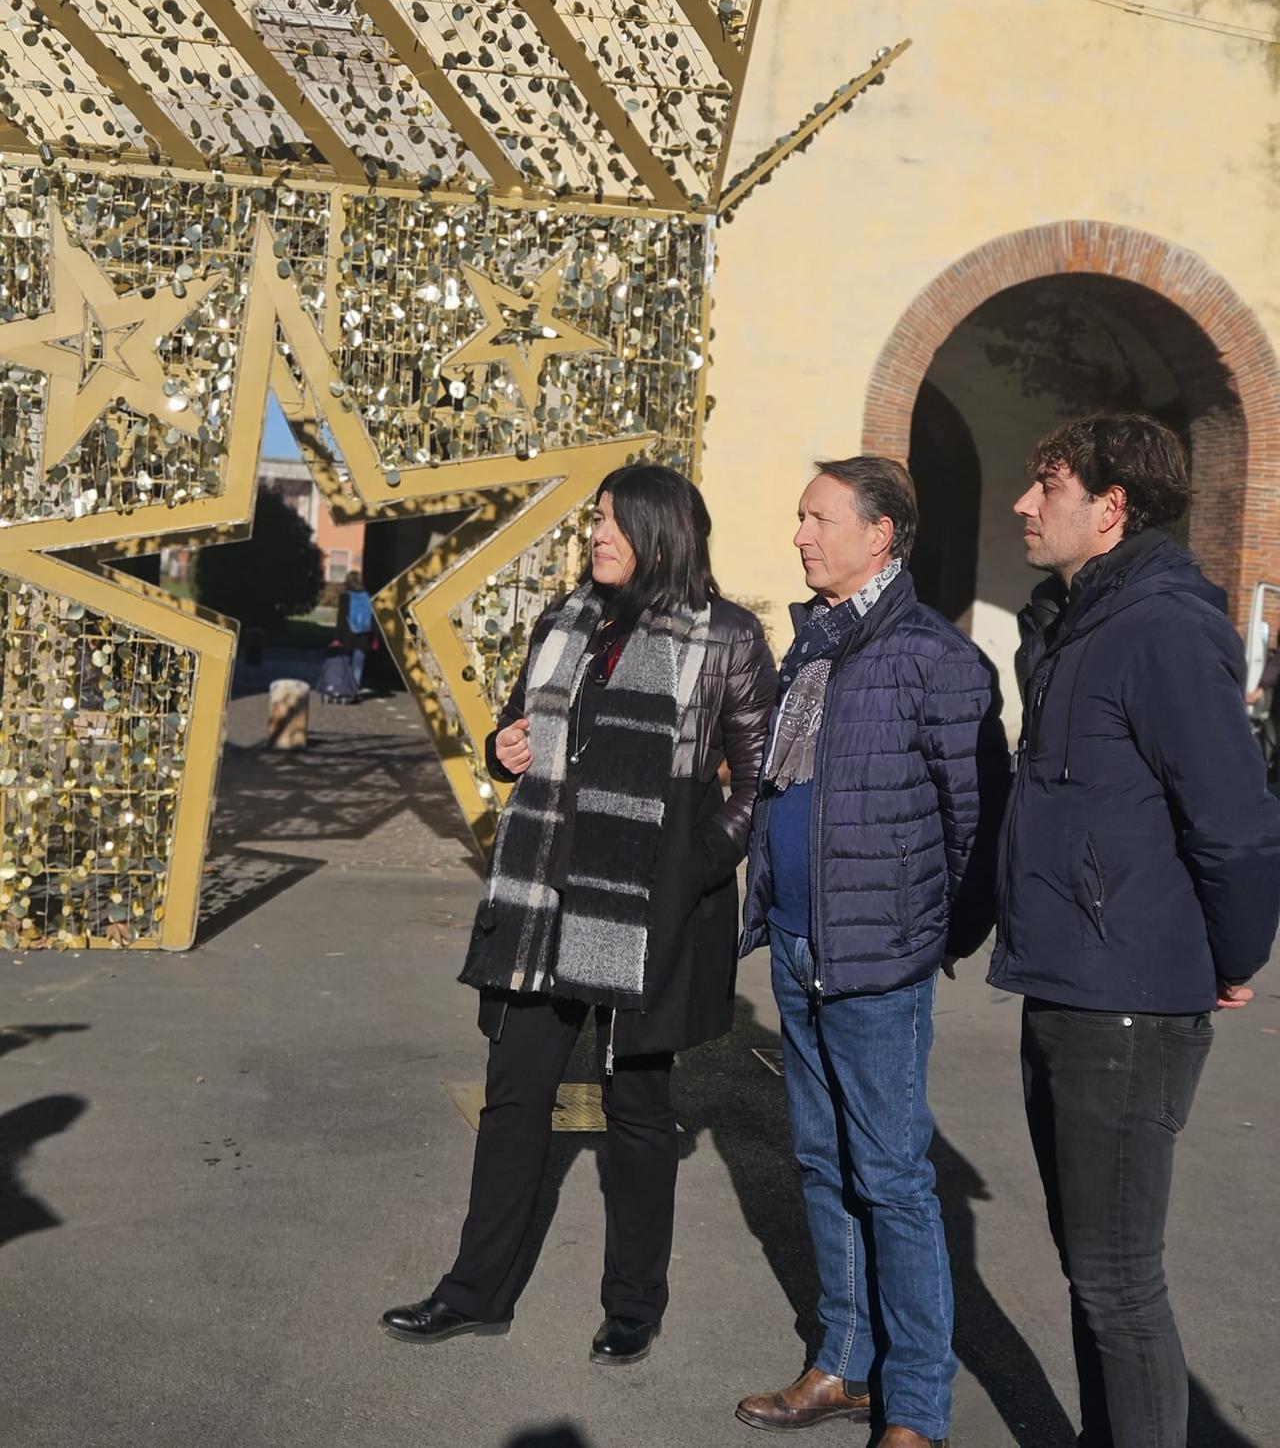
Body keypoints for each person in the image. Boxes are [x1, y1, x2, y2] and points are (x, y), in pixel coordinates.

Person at [381, 464, 777, 1364]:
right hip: (545, 901)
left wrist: (692, 864)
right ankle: (474, 1291)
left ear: (659, 531)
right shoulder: (567, 620)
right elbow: (523, 728)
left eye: (610, 523)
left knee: (638, 1109)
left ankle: (633, 1304)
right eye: (594, 521)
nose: (594, 536)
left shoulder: (727, 638)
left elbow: (756, 786)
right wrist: (501, 745)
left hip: (648, 909)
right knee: (515, 1097)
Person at [991, 414, 1280, 1448]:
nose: (1024, 504)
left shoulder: (1160, 626)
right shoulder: (1073, 621)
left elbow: (1237, 823)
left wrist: (1232, 954)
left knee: (1116, 1278)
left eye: (1047, 485)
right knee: (1090, 1267)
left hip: (1125, 998)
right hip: (1066, 977)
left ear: (1108, 507)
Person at [736, 457, 1007, 1448]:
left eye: (815, 518)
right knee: (819, 1158)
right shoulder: (811, 644)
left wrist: (926, 935)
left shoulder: (930, 656)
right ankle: (841, 1363)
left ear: (878, 532)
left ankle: (916, 1406)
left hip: (873, 960)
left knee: (891, 1176)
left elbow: (976, 815)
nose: (799, 534)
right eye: (799, 515)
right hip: (799, 945)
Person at [336, 570, 374, 689]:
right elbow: (373, 618)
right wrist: (375, 637)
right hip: (364, 635)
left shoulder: (345, 596)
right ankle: (355, 690)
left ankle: (345, 689)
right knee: (358, 665)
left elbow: (341, 617)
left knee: (346, 663)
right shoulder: (369, 596)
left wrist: (337, 637)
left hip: (348, 634)